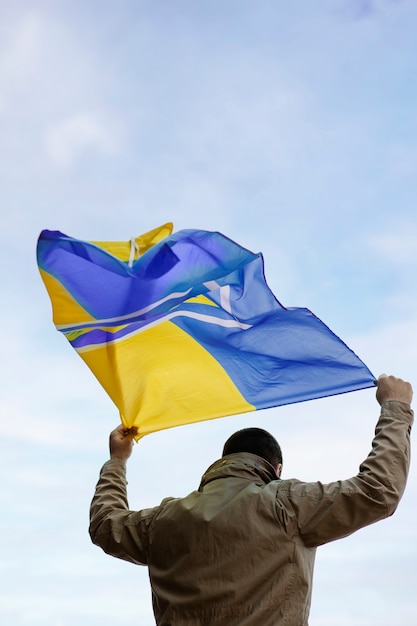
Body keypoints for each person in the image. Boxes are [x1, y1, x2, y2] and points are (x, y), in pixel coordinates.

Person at [89, 374, 413, 625]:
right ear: (277, 469)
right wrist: (395, 408)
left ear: (223, 461)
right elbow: (377, 492)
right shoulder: (287, 504)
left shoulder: (164, 520)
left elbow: (105, 524)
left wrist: (117, 461)